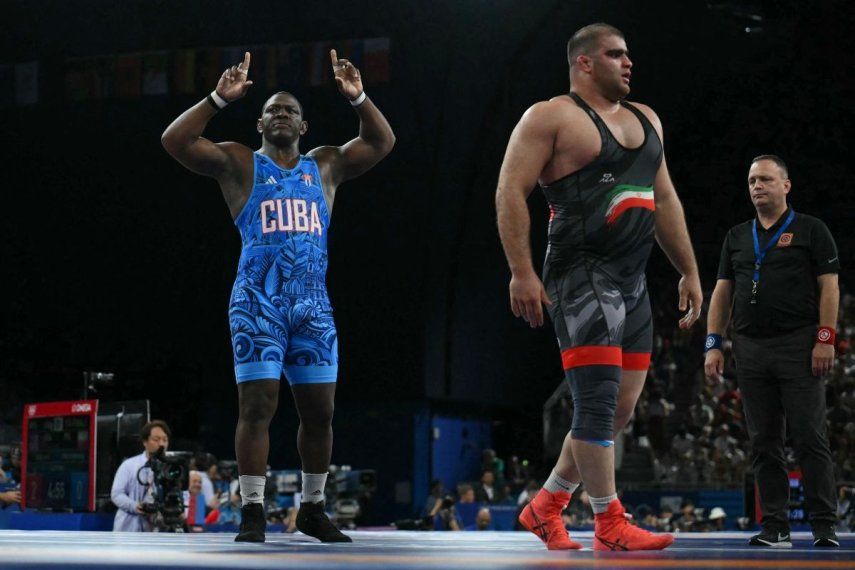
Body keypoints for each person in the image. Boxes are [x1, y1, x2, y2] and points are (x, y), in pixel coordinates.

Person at [161, 49, 394, 544]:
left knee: (321, 412)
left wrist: (359, 97)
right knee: (257, 407)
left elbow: (381, 141)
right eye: (272, 109)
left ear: (304, 126)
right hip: (257, 302)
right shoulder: (240, 162)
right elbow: (175, 140)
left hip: (313, 306)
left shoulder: (325, 166)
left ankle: (311, 508)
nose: (281, 113)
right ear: (260, 122)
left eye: (290, 109)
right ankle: (251, 510)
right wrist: (216, 98)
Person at [496, 23, 701, 551]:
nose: (628, 62)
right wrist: (522, 270)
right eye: (615, 54)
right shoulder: (551, 117)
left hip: (632, 284)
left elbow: (667, 201)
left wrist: (689, 270)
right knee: (596, 404)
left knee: (622, 410)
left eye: (628, 54)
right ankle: (609, 522)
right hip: (580, 274)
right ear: (584, 63)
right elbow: (510, 192)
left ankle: (546, 506)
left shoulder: (646, 118)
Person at [705, 154, 840, 548]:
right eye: (751, 181)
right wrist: (714, 344)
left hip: (799, 345)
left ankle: (823, 525)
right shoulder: (736, 236)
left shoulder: (812, 230)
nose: (756, 187)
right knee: (763, 440)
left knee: (808, 437)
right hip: (749, 348)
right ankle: (775, 526)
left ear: (786, 185)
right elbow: (722, 293)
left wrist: (825, 338)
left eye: (765, 179)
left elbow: (829, 287)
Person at [110, 420, 171, 532]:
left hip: (156, 532)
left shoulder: (171, 468)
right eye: (156, 440)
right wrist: (134, 506)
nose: (161, 444)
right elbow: (116, 494)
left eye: (165, 440)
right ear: (145, 442)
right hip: (127, 530)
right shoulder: (129, 465)